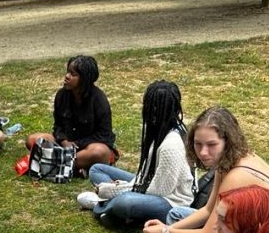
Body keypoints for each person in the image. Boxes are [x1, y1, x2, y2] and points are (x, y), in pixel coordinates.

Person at [142, 105, 269, 233]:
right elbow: (208, 210)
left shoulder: (237, 176)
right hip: (233, 231)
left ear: (227, 141)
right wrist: (167, 229)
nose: (203, 152)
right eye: (197, 144)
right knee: (176, 214)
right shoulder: (227, 161)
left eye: (211, 145)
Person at [77, 80, 193, 224]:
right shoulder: (160, 130)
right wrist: (126, 185)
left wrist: (117, 189)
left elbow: (159, 191)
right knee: (96, 169)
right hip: (148, 184)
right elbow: (145, 175)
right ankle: (121, 214)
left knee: (126, 201)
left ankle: (101, 206)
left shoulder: (171, 145)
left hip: (170, 201)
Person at [25, 55, 119, 174]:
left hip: (87, 147)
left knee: (100, 152)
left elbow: (104, 135)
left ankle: (53, 164)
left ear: (84, 79)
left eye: (73, 74)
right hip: (64, 146)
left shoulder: (99, 100)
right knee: (32, 140)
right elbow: (58, 126)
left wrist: (76, 145)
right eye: (67, 72)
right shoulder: (61, 95)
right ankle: (76, 167)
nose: (67, 76)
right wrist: (64, 141)